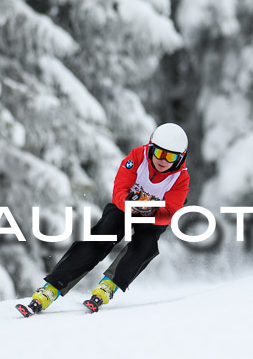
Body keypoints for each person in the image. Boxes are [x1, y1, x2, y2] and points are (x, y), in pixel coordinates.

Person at [16, 123, 190, 316]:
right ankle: (52, 288)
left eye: (170, 156)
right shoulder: (137, 157)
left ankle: (109, 285)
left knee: (145, 245)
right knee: (100, 237)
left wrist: (149, 210)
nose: (162, 160)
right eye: (158, 152)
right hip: (125, 207)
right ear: (150, 147)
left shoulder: (180, 178)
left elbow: (172, 211)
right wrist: (131, 203)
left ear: (180, 158)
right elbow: (119, 190)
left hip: (153, 217)